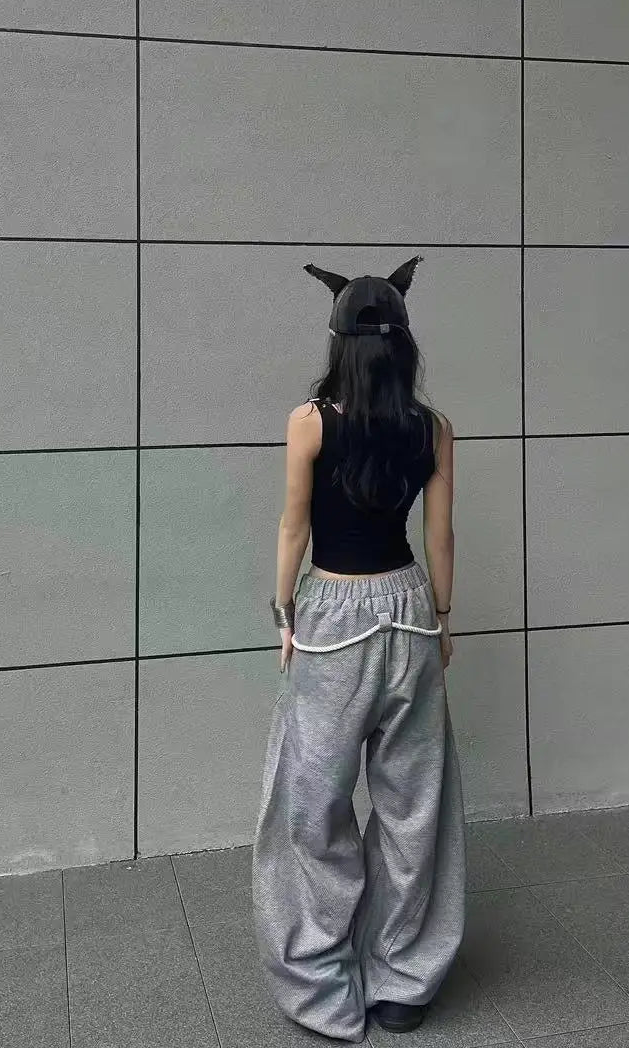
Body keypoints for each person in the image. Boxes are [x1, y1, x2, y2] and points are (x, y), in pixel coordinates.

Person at [252, 255, 466, 1042]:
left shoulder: (310, 421)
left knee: (311, 805)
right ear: (404, 343)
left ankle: (323, 987)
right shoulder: (432, 428)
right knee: (415, 806)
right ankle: (403, 982)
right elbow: (440, 536)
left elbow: (293, 527)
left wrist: (284, 613)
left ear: (338, 342)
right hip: (409, 610)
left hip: (334, 616)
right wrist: (442, 618)